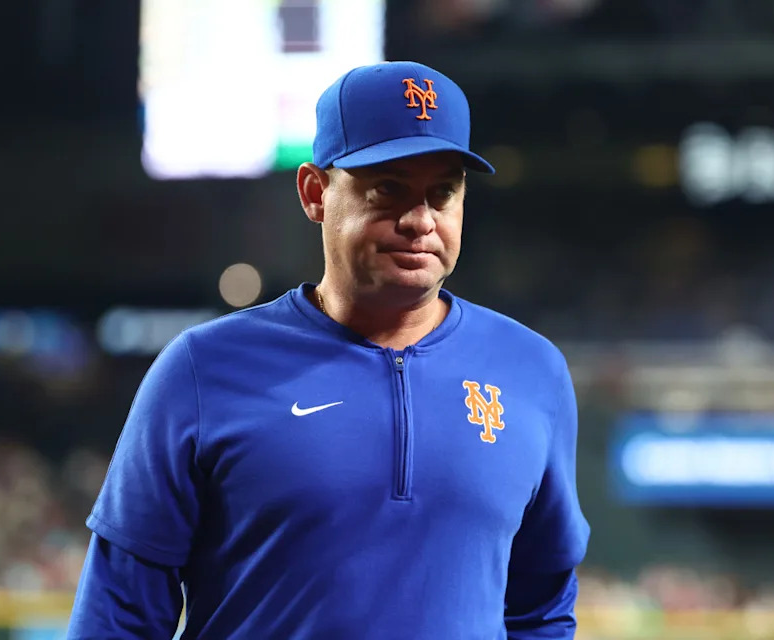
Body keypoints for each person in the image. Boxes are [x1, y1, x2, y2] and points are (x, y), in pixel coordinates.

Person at [67, 60, 590, 639]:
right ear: (315, 193)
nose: (420, 220)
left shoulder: (532, 370)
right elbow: (119, 615)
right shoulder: (202, 370)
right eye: (388, 189)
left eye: (442, 193)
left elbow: (541, 606)